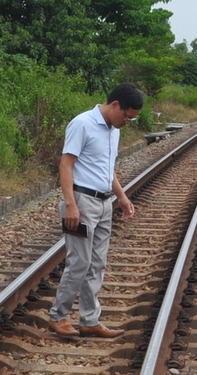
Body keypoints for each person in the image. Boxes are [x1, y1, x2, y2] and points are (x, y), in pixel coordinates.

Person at [48, 84, 143, 338]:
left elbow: (107, 168)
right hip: (81, 201)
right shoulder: (82, 124)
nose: (128, 122)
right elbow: (66, 164)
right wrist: (71, 205)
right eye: (127, 116)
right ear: (115, 105)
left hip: (104, 203)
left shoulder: (114, 130)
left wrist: (121, 196)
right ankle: (58, 315)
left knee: (97, 263)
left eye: (132, 118)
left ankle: (90, 320)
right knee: (79, 261)